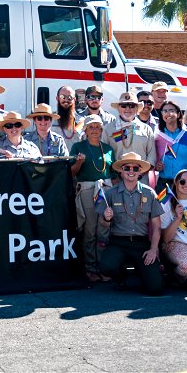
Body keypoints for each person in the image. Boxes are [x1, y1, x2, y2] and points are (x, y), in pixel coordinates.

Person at [96, 151, 164, 295]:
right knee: (106, 266)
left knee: (155, 288)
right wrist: (106, 218)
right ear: (121, 171)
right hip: (119, 242)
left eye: (135, 168)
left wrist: (153, 249)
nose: (131, 171)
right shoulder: (110, 193)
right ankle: (122, 278)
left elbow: (157, 227)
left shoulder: (150, 193)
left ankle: (142, 274)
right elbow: (102, 224)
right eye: (127, 168)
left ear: (140, 172)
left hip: (141, 244)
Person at [70, 115, 115, 282]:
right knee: (90, 230)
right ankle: (90, 267)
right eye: (91, 127)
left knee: (104, 229)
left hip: (106, 191)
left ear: (102, 130)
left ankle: (103, 267)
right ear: (85, 130)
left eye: (97, 127)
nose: (94, 130)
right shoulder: (78, 147)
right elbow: (72, 173)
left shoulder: (108, 148)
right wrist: (80, 162)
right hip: (88, 190)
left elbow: (114, 174)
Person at [154, 101, 187, 190]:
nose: (168, 113)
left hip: (183, 183)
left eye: (171, 110)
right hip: (162, 182)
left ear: (179, 113)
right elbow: (152, 157)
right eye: (165, 111)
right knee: (162, 204)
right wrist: (156, 165)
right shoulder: (157, 135)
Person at [107, 92, 156, 175]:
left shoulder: (147, 129)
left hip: (141, 178)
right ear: (118, 108)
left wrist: (140, 174)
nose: (128, 109)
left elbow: (151, 156)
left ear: (137, 109)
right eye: (123, 106)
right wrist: (114, 176)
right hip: (116, 179)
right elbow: (105, 156)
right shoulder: (108, 128)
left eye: (132, 106)